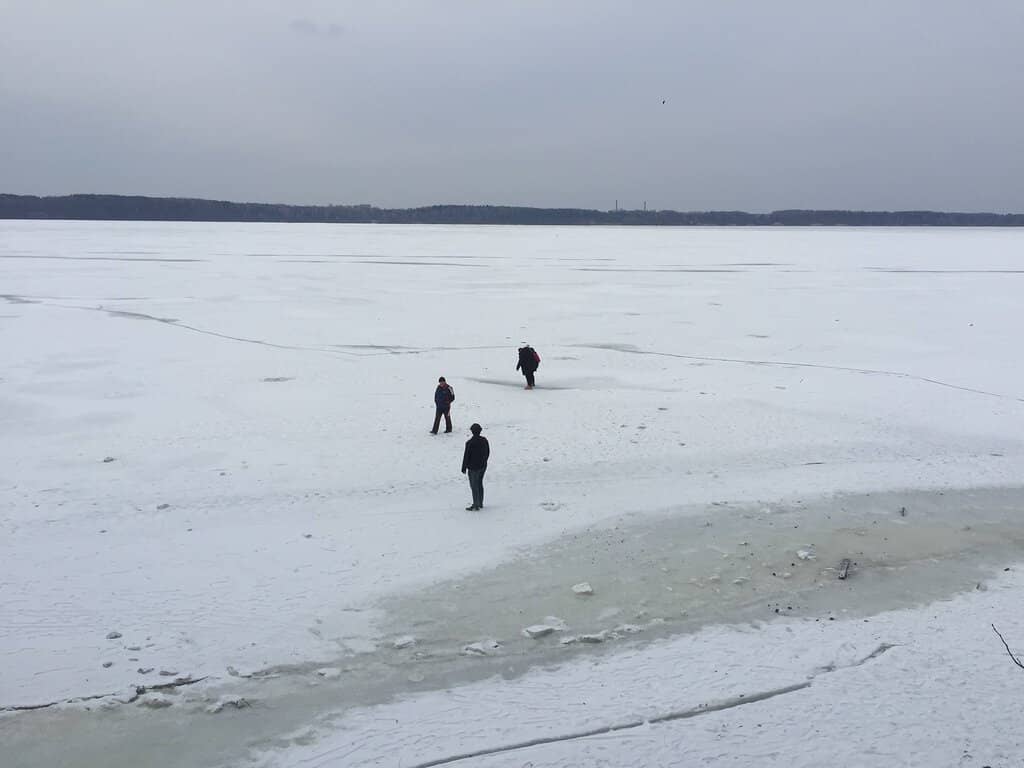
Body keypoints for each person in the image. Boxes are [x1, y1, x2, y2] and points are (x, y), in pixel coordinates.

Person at [461, 423, 490, 510]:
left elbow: (466, 456)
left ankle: (476, 504)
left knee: (474, 486)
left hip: (473, 468)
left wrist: (464, 467)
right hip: (483, 466)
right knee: (479, 483)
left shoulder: (469, 443)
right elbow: (488, 452)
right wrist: (484, 461)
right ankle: (480, 502)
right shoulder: (484, 440)